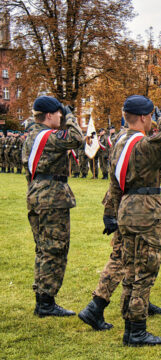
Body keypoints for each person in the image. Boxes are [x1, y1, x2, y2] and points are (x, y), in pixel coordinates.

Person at [105, 96, 161, 346]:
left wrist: (111, 212)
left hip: (126, 209)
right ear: (145, 117)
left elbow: (114, 184)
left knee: (130, 270)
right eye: (151, 117)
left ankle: (130, 328)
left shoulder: (119, 143)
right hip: (145, 211)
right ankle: (137, 331)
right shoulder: (144, 143)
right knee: (145, 271)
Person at [22, 96, 83, 317]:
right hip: (51, 197)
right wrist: (71, 116)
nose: (61, 117)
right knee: (54, 249)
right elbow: (77, 139)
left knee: (43, 248)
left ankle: (43, 299)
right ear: (49, 115)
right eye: (59, 113)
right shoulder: (48, 136)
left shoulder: (31, 135)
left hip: (37, 193)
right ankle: (46, 303)